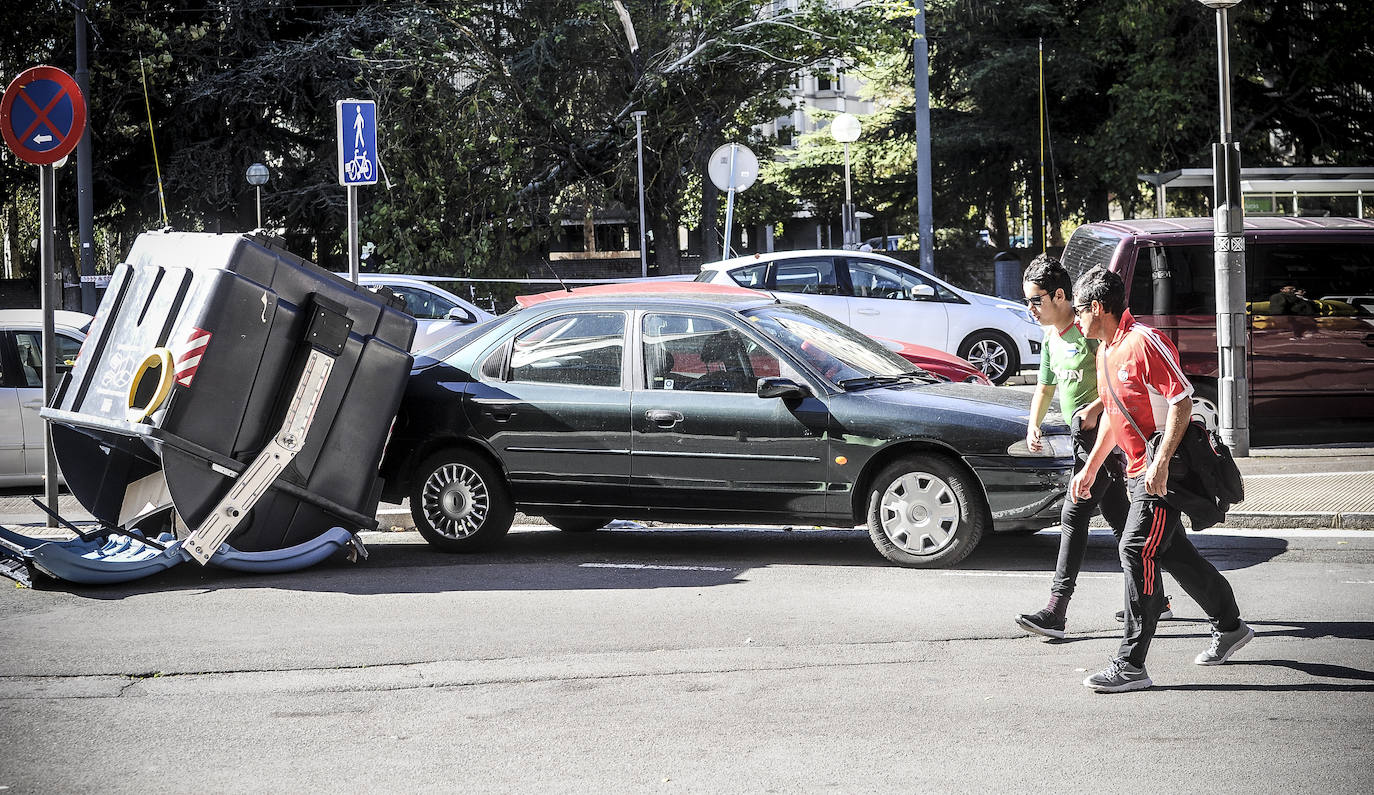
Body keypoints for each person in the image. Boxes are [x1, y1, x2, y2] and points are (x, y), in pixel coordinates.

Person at [1070, 267, 1252, 693]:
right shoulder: (1105, 350)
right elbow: (1117, 418)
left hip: (1163, 473)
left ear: (1097, 308)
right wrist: (1092, 466)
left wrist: (1161, 463)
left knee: (1135, 549)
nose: (1076, 318)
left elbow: (1181, 400)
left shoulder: (1143, 342)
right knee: (1174, 555)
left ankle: (1131, 663)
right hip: (1140, 471)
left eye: (1079, 310)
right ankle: (1230, 626)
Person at [1014, 254, 1139, 640]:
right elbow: (1045, 385)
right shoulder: (1052, 337)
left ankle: (1056, 609)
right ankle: (1155, 598)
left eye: (1036, 300)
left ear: (1061, 296)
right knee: (1122, 522)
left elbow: (1117, 383)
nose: (1030, 309)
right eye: (1027, 301)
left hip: (1101, 439)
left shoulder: (1089, 331)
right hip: (1079, 437)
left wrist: (1096, 407)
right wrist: (1034, 423)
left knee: (1074, 514)